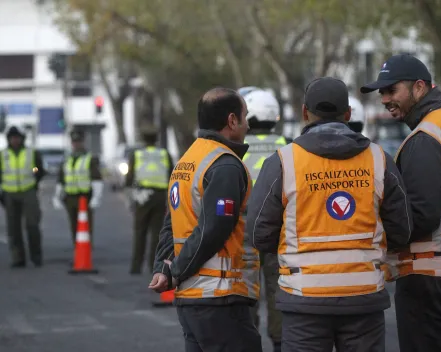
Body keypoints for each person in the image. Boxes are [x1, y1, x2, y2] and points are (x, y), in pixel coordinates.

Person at [247, 77, 412, 352]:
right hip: (364, 298)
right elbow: (402, 229)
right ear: (348, 114)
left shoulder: (283, 162)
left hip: (303, 300)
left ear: (304, 113)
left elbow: (258, 233)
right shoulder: (379, 159)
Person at [361, 53, 441, 352]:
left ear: (419, 87)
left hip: (429, 276)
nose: (385, 99)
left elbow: (420, 216)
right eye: (382, 93)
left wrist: (378, 233)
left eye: (391, 90)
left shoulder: (426, 138)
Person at [149, 87, 262, 352]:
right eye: (245, 117)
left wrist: (162, 267)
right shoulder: (224, 165)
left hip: (192, 298)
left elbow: (171, 222)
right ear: (232, 121)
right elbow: (214, 230)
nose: (247, 124)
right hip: (220, 298)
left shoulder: (188, 160)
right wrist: (174, 270)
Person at [237, 86, 288, 352]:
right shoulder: (287, 145)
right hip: (279, 229)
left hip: (245, 228)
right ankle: (279, 343)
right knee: (278, 287)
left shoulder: (237, 148)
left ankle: (249, 341)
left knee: (247, 289)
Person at [125, 125, 173, 274]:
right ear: (156, 139)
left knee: (140, 231)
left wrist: (131, 193)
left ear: (144, 139)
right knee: (157, 233)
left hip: (142, 196)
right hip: (160, 196)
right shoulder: (164, 154)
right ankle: (154, 265)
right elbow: (172, 174)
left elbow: (129, 177)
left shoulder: (137, 154)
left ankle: (136, 266)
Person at [0, 125, 45, 268]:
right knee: (13, 228)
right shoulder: (3, 154)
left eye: (17, 138)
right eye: (12, 138)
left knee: (32, 224)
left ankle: (36, 256)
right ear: (8, 139)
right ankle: (17, 258)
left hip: (28, 190)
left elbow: (38, 168)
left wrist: (34, 175)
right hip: (9, 193)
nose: (15, 140)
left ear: (21, 139)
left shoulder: (31, 152)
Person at [52, 129, 103, 248]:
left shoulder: (89, 158)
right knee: (74, 226)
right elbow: (61, 179)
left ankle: (86, 251)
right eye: (74, 142)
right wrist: (57, 196)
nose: (76, 144)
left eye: (78, 141)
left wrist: (96, 197)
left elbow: (97, 179)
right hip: (70, 197)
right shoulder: (67, 159)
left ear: (83, 142)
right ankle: (78, 251)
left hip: (84, 197)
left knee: (85, 226)